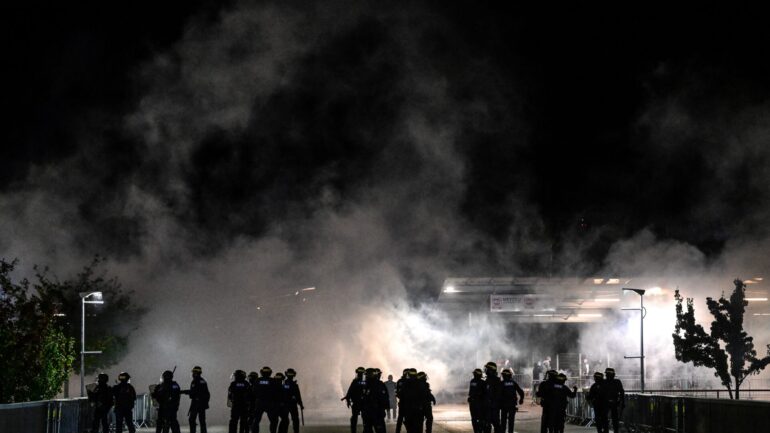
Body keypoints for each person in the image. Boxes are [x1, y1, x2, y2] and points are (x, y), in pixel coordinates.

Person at [182, 366, 211, 433]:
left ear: (196, 373)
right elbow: (206, 393)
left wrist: (186, 392)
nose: (192, 374)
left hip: (196, 403)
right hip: (202, 404)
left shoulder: (195, 381)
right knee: (202, 421)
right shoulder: (203, 381)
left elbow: (193, 393)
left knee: (191, 420)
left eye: (193, 372)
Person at [252, 366, 280, 433]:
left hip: (259, 402)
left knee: (256, 420)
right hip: (270, 403)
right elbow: (277, 393)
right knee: (274, 420)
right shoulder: (273, 381)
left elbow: (253, 392)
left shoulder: (257, 380)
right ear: (270, 372)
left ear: (261, 372)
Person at [398, 368, 426, 433]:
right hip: (418, 410)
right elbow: (424, 397)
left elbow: (401, 396)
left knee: (410, 429)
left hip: (408, 410)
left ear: (409, 374)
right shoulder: (420, 383)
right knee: (418, 429)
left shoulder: (405, 383)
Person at [361, 368, 389, 433]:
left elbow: (384, 398)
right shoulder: (364, 384)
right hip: (372, 413)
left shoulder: (365, 384)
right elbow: (385, 398)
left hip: (374, 413)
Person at [342, 367, 367, 433]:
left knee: (359, 418)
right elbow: (350, 391)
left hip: (360, 402)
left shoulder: (356, 381)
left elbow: (350, 391)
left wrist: (348, 398)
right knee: (362, 418)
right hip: (360, 402)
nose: (360, 374)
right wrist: (347, 397)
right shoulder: (363, 381)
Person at [499, 369, 524, 433]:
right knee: (511, 421)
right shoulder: (513, 383)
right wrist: (521, 399)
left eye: (503, 375)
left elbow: (498, 395)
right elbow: (521, 392)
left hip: (504, 405)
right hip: (512, 405)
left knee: (503, 422)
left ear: (505, 375)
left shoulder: (501, 383)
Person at [282, 369, 304, 433]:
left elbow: (298, 396)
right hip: (291, 404)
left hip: (287, 404)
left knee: (286, 420)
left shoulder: (284, 384)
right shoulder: (293, 385)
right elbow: (298, 396)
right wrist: (301, 404)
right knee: (294, 420)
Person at [603, 368, 624, 433]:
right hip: (611, 402)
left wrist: (622, 401)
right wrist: (622, 401)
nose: (606, 375)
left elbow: (621, 392)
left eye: (607, 374)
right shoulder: (616, 382)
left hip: (611, 402)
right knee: (612, 418)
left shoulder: (605, 382)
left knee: (609, 418)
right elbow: (622, 392)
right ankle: (613, 430)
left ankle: (610, 430)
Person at [483, 361, 502, 433]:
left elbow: (498, 395)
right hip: (488, 406)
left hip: (493, 407)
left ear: (491, 370)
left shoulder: (496, 380)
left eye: (487, 369)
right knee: (486, 425)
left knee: (496, 424)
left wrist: (493, 404)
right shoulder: (487, 380)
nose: (486, 370)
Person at [395, 369, 409, 433]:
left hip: (407, 403)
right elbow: (397, 393)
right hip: (404, 402)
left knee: (405, 418)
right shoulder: (400, 381)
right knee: (401, 418)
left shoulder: (401, 381)